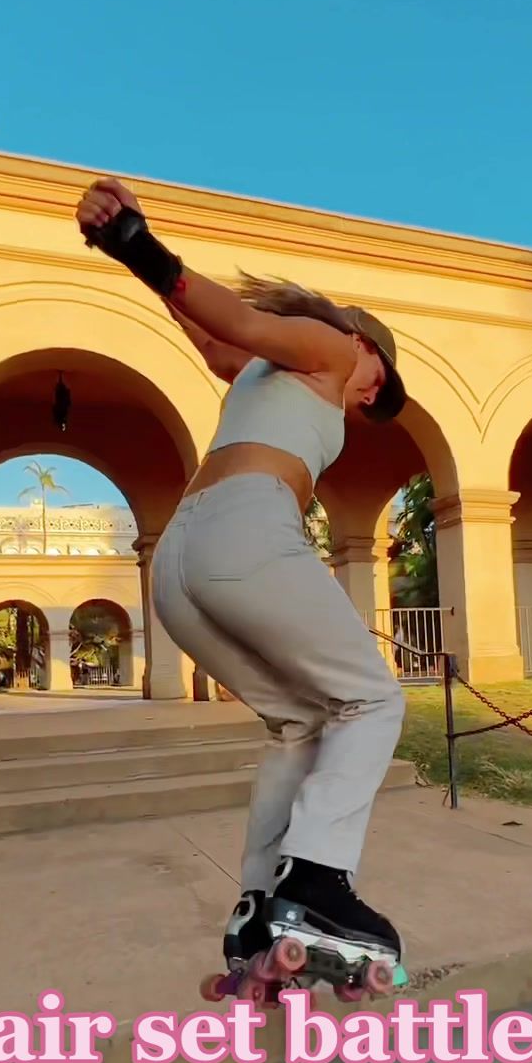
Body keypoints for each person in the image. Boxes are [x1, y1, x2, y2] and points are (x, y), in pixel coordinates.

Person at [75, 176, 407, 970]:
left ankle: (259, 910)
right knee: (373, 698)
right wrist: (137, 244)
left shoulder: (256, 372)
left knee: (300, 723)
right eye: (381, 381)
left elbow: (211, 332)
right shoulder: (332, 349)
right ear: (363, 344)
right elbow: (239, 318)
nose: (369, 399)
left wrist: (129, 254)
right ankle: (318, 880)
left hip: (179, 564)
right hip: (247, 534)